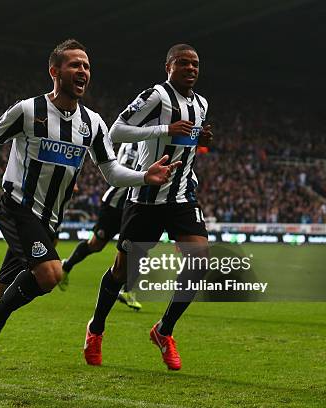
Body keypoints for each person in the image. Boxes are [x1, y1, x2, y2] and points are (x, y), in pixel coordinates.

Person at [0, 39, 179, 392]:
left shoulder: (93, 123)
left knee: (0, 289)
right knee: (51, 274)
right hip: (18, 208)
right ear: (55, 71)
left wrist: (144, 176)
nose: (83, 71)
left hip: (49, 221)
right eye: (75, 65)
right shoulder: (29, 111)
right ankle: (0, 316)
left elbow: (112, 171)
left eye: (86, 66)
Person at [83, 44, 214, 370]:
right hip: (145, 198)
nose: (190, 68)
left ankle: (164, 330)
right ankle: (96, 329)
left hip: (182, 197)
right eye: (183, 63)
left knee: (199, 263)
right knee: (121, 271)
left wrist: (200, 140)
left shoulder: (201, 104)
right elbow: (116, 131)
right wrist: (164, 129)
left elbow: (186, 144)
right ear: (168, 67)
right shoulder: (156, 96)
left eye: (195, 64)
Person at [58, 142, 143, 311]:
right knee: (96, 245)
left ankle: (127, 291)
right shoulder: (132, 145)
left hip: (134, 207)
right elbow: (123, 173)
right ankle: (66, 265)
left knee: (138, 249)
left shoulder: (152, 143)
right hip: (114, 206)